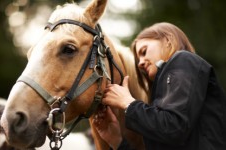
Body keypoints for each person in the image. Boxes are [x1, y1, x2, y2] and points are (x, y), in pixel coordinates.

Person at [93, 22, 226, 150]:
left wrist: (128, 104)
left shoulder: (183, 60)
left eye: (144, 51)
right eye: (138, 59)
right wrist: (117, 141)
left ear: (168, 40)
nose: (140, 63)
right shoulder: (160, 101)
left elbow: (173, 127)